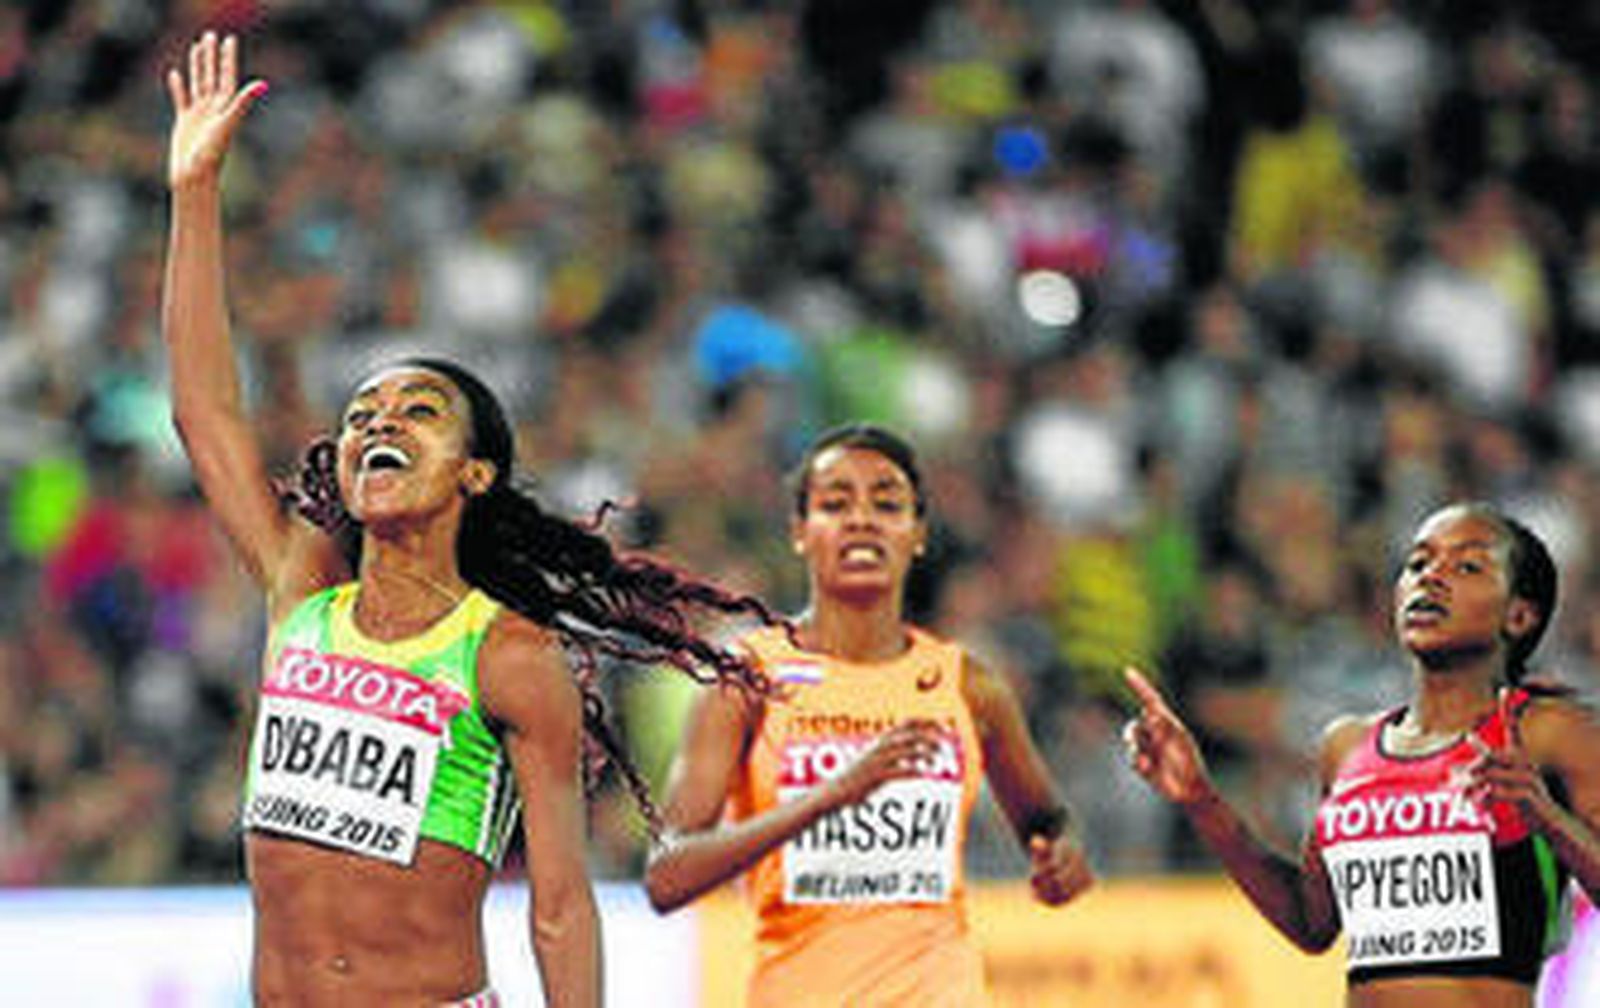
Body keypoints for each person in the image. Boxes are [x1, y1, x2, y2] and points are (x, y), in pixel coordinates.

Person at [162, 33, 773, 1006]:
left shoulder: (509, 657)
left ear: (474, 473)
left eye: (416, 413)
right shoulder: (303, 591)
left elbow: (562, 907)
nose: (378, 425)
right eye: (361, 415)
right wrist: (194, 193)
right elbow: (205, 413)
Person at [643, 423, 1094, 1007]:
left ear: (918, 533)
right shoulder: (747, 678)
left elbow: (1047, 819)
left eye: (887, 503)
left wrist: (1063, 855)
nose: (862, 520)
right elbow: (666, 877)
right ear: (800, 533)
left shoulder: (969, 686)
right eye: (835, 504)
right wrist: (836, 792)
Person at [1124, 501, 1600, 1008]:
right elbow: (1311, 924)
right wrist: (1201, 799)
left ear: (1519, 615)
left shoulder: (1547, 731)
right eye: (1418, 563)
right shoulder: (1348, 748)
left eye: (1467, 566)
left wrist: (1547, 819)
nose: (1431, 578)